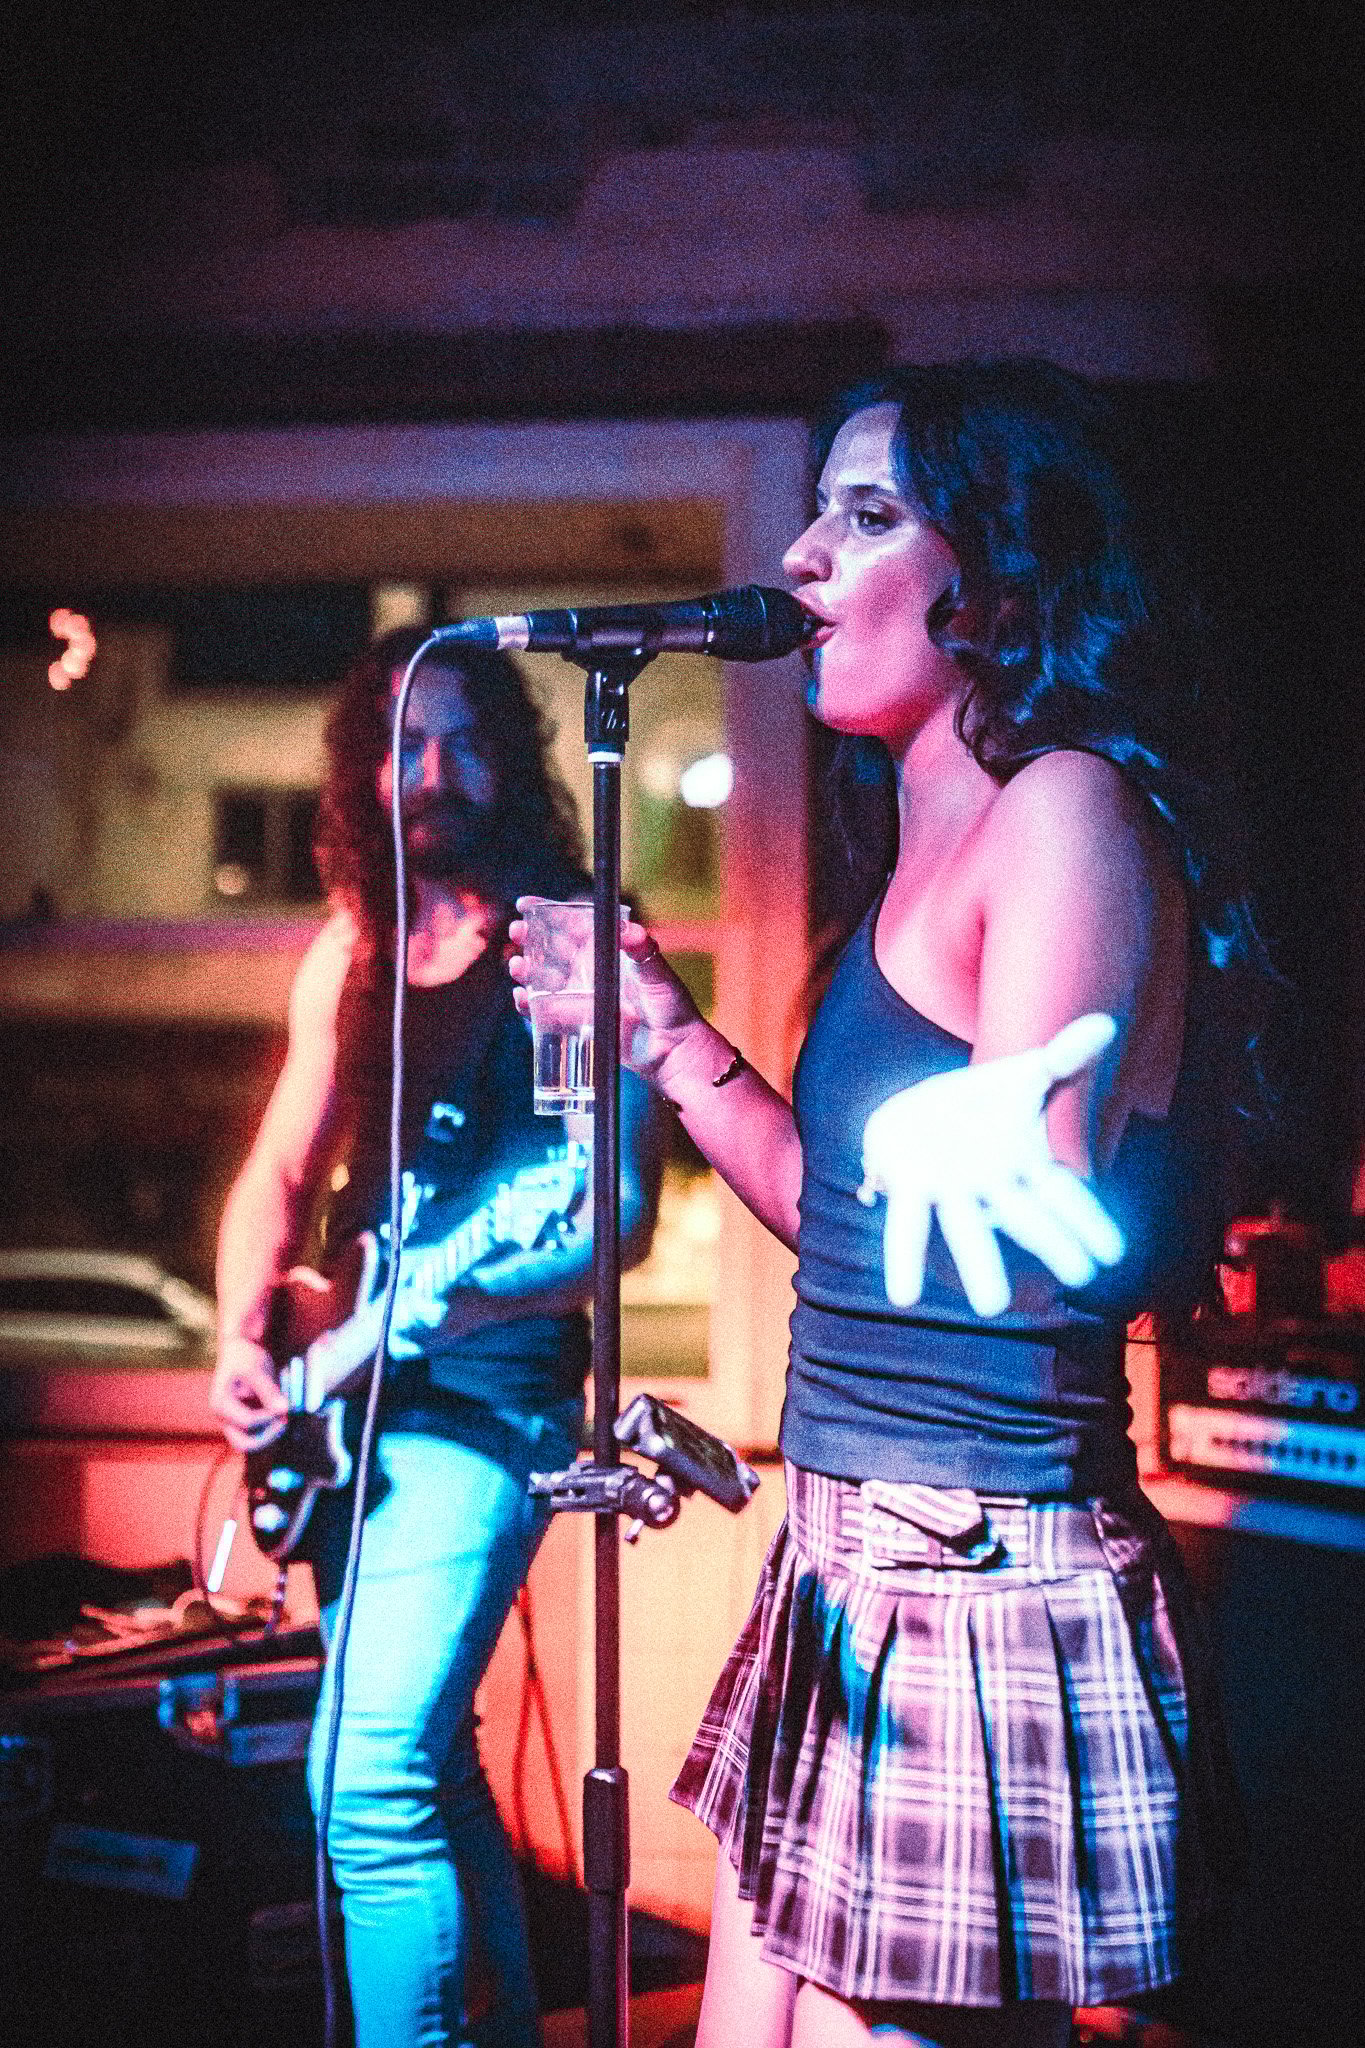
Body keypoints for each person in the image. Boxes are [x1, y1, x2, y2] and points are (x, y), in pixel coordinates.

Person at [527, 363, 1260, 2048]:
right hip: (852, 1550)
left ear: (993, 582)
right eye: (813, 512)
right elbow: (855, 1227)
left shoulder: (1062, 804)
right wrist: (667, 1038)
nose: (796, 561)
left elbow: (1028, 1210)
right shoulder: (911, 840)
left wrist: (1002, 1148)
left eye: (866, 518)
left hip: (973, 1567)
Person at [211, 624, 663, 2048]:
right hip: (347, 1400)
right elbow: (282, 1172)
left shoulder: (566, 942)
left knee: (364, 1780)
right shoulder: (351, 944)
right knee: (438, 1772)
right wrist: (243, 1335)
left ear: (516, 763)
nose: (434, 772)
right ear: (365, 772)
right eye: (406, 744)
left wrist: (482, 1297)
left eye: (466, 740)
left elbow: (613, 1209)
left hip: (493, 1398)